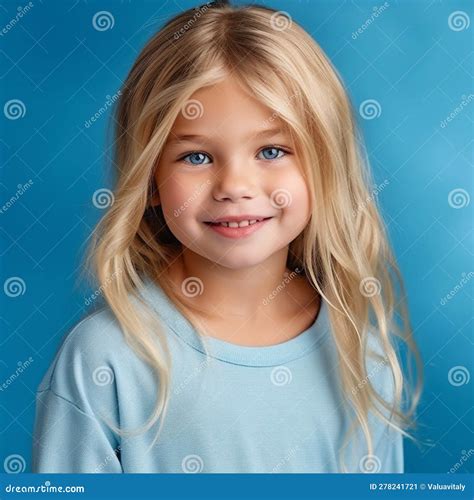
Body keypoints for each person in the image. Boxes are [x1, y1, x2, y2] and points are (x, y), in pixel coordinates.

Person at [32, 0, 422, 473]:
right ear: (150, 176)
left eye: (272, 150)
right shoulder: (105, 357)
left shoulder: (361, 354)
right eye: (196, 157)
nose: (235, 186)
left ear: (325, 167)